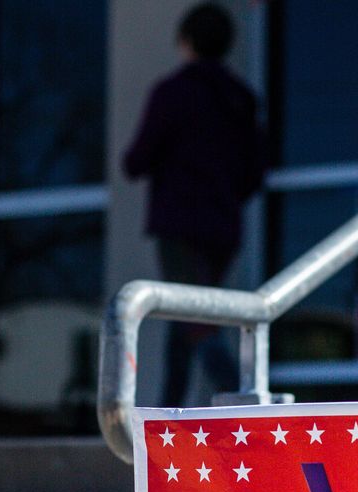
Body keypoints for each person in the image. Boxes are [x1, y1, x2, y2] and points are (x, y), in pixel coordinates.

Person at [123, 2, 265, 408]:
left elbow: (136, 160)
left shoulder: (173, 93)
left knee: (194, 322)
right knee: (183, 320)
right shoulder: (240, 99)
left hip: (180, 224)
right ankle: (168, 415)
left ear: (185, 42)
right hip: (222, 227)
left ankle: (251, 400)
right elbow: (254, 171)